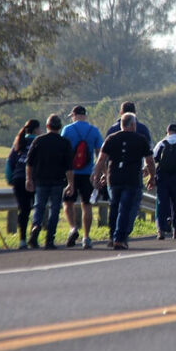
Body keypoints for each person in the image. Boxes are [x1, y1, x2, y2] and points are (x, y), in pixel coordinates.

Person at [91, 113, 155, 250]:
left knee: (114, 206)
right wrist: (152, 176)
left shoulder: (111, 138)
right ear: (132, 125)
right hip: (131, 179)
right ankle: (119, 238)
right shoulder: (140, 139)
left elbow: (101, 159)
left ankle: (112, 236)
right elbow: (149, 161)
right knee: (125, 208)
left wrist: (96, 174)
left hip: (114, 178)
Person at [25, 115, 74, 249]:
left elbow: (29, 163)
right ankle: (49, 239)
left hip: (40, 181)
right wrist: (71, 184)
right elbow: (69, 167)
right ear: (60, 127)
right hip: (58, 181)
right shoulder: (65, 143)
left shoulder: (38, 141)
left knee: (39, 207)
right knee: (54, 210)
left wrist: (29, 179)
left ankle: (35, 227)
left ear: (47, 126)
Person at [61, 105, 103, 249]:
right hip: (88, 174)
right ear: (85, 115)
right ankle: (86, 237)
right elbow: (100, 154)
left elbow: (62, 151)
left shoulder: (67, 130)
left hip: (70, 173)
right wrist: (98, 173)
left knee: (67, 203)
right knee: (87, 205)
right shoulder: (94, 131)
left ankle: (73, 228)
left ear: (74, 115)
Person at [5, 119, 42, 249]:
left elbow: (9, 164)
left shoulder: (18, 143)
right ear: (36, 130)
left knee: (24, 210)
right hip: (34, 179)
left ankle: (22, 240)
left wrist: (10, 179)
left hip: (18, 179)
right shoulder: (38, 142)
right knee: (37, 208)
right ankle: (34, 235)